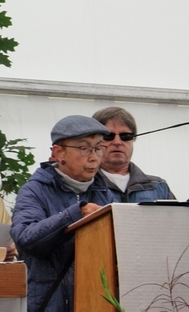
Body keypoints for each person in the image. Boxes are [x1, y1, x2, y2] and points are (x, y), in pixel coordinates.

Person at [11, 115, 116, 312]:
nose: (94, 157)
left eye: (99, 147)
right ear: (60, 153)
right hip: (49, 305)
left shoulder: (105, 194)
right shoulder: (34, 190)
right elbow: (26, 238)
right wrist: (76, 214)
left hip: (96, 304)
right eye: (84, 148)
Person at [92, 106, 175, 202]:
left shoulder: (159, 187)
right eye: (109, 136)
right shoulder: (83, 186)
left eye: (126, 136)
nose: (117, 142)